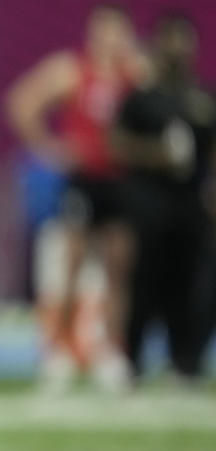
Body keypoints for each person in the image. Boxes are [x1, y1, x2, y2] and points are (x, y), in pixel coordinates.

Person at [7, 4, 147, 390]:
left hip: (120, 182)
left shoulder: (134, 74)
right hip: (84, 180)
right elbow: (22, 102)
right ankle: (60, 351)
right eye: (105, 32)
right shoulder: (71, 70)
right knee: (73, 264)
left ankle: (112, 349)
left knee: (119, 266)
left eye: (118, 33)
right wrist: (49, 147)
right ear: (93, 33)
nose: (111, 40)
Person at [113, 13, 216, 382]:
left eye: (182, 40)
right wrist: (157, 153)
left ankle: (184, 361)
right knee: (144, 282)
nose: (176, 49)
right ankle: (134, 361)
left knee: (190, 284)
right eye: (169, 40)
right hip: (149, 203)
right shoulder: (142, 98)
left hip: (190, 204)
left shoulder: (202, 98)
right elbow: (119, 143)